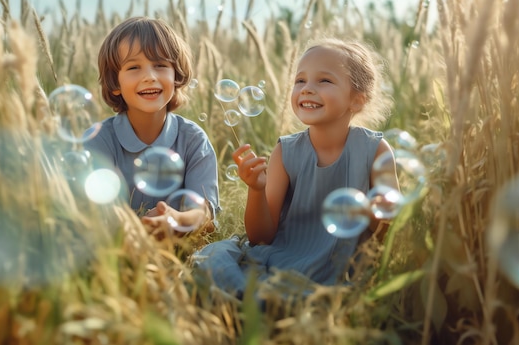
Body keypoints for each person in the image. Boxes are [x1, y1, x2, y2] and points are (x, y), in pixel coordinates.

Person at [192, 37, 398, 297]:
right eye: (300, 80)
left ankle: (263, 302)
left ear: (356, 100)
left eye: (324, 80)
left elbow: (389, 231)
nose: (307, 88)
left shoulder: (374, 150)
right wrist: (256, 189)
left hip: (342, 266)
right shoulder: (286, 151)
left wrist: (366, 210)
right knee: (213, 259)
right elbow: (261, 237)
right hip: (283, 259)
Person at [84, 16, 219, 238]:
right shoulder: (99, 141)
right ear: (115, 83)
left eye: (160, 65)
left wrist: (174, 219)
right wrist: (139, 228)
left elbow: (204, 215)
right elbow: (92, 219)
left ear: (176, 75)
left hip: (177, 251)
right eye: (134, 67)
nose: (149, 76)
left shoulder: (193, 140)